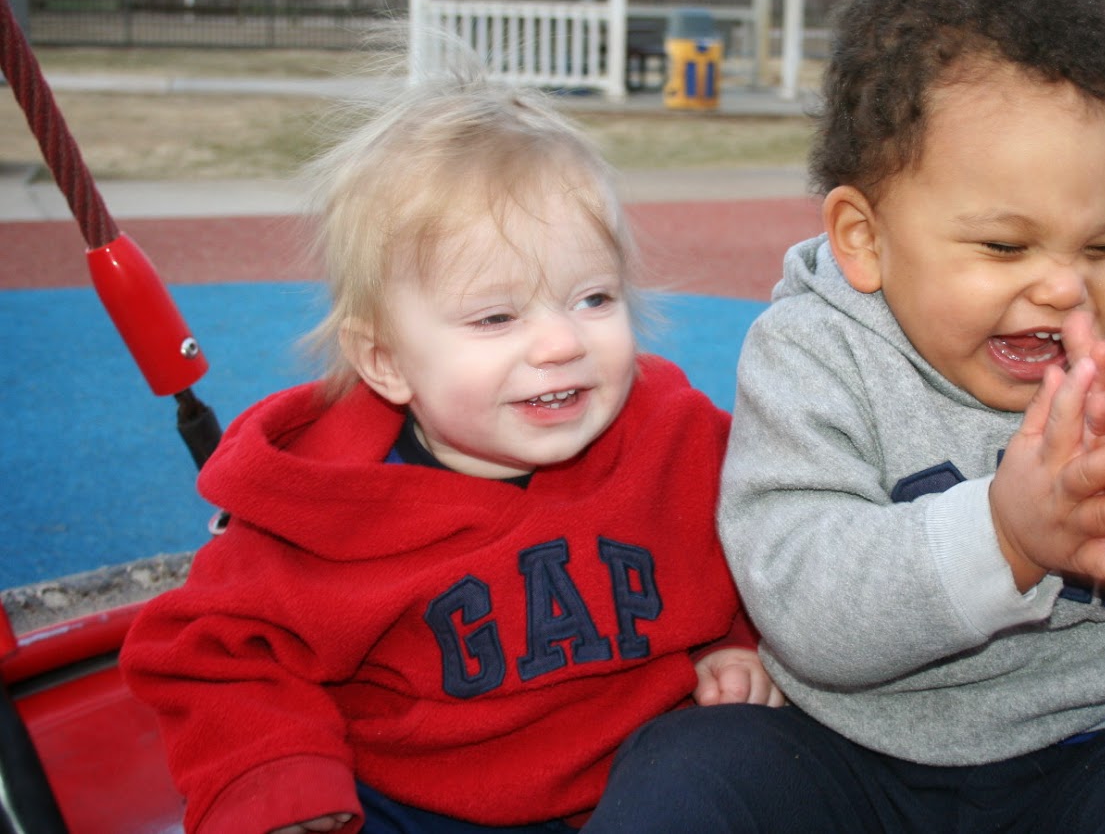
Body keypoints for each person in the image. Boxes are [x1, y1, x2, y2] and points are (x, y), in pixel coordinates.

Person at [586, 0, 1105, 832]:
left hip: (1098, 743)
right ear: (864, 239)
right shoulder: (812, 352)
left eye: (1103, 243)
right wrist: (1004, 536)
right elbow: (803, 599)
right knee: (682, 777)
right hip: (842, 747)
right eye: (1006, 246)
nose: (1066, 287)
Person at [121, 76, 781, 834]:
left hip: (643, 782)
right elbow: (218, 650)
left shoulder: (677, 443)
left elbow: (772, 544)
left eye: (594, 298)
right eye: (496, 316)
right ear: (386, 361)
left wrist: (736, 646)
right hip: (417, 802)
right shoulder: (324, 510)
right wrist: (279, 783)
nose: (561, 342)